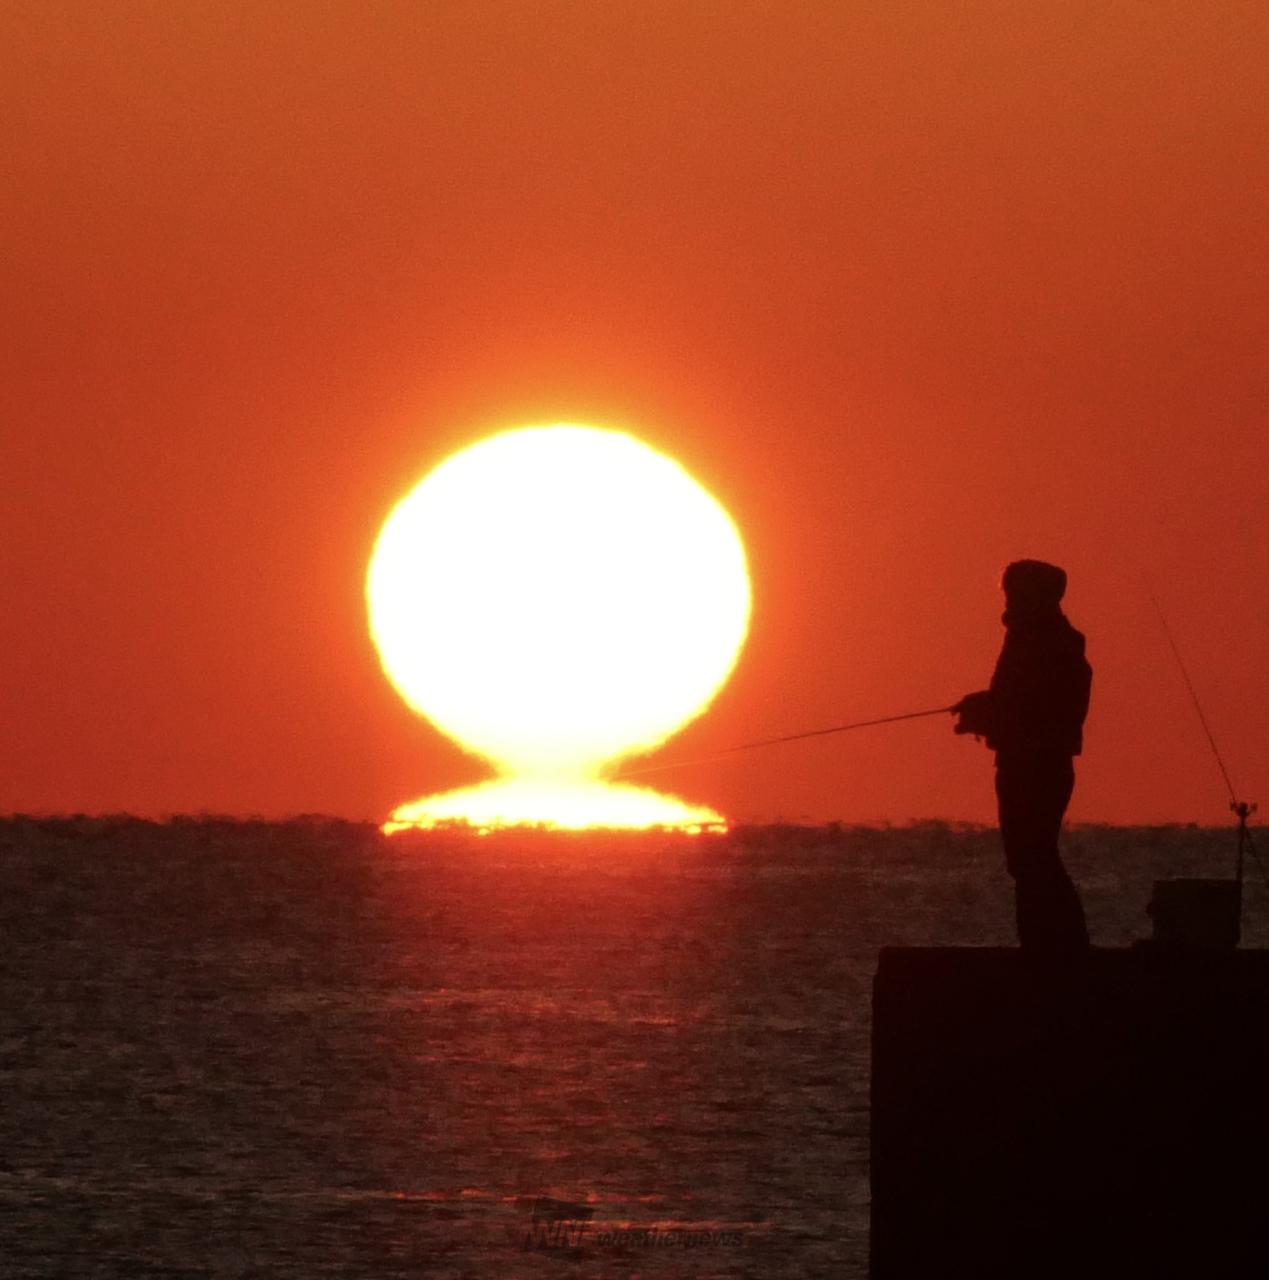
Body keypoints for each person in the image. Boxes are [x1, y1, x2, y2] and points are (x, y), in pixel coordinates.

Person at [953, 560, 1092, 955]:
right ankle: (1049, 945)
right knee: (1029, 858)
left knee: (1033, 857)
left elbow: (1033, 709)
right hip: (1025, 764)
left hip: (1037, 768)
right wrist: (982, 708)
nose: (1009, 600)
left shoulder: (1045, 644)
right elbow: (1016, 702)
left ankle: (1053, 947)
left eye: (1014, 592)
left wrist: (987, 714)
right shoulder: (1038, 640)